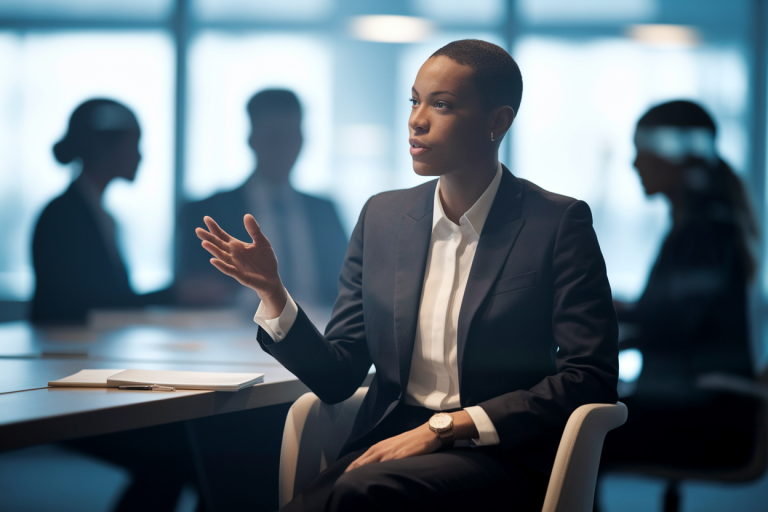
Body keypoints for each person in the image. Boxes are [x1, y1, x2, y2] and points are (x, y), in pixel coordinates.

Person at [196, 40, 619, 511]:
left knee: (362, 493)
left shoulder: (556, 223)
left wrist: (446, 427)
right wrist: (273, 293)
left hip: (496, 451)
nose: (417, 120)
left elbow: (590, 377)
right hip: (388, 442)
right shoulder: (382, 217)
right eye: (414, 101)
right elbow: (339, 376)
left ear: (497, 122)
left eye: (442, 105)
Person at [600, 101, 758, 474]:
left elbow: (675, 325)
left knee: (574, 436)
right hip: (701, 409)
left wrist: (605, 324)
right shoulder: (704, 226)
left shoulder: (704, 233)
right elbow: (678, 312)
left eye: (643, 151)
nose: (635, 164)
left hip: (706, 417)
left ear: (674, 156)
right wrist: (623, 314)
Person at [176, 89, 348, 310]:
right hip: (234, 326)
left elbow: (347, 284)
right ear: (252, 140)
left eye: (292, 138)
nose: (284, 149)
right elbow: (194, 289)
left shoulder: (324, 211)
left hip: (318, 324)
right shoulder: (207, 213)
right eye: (274, 138)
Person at [31, 99, 172, 325]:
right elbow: (94, 306)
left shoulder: (95, 215)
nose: (140, 156)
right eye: (134, 144)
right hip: (63, 344)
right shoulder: (62, 218)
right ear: (106, 147)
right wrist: (174, 294)